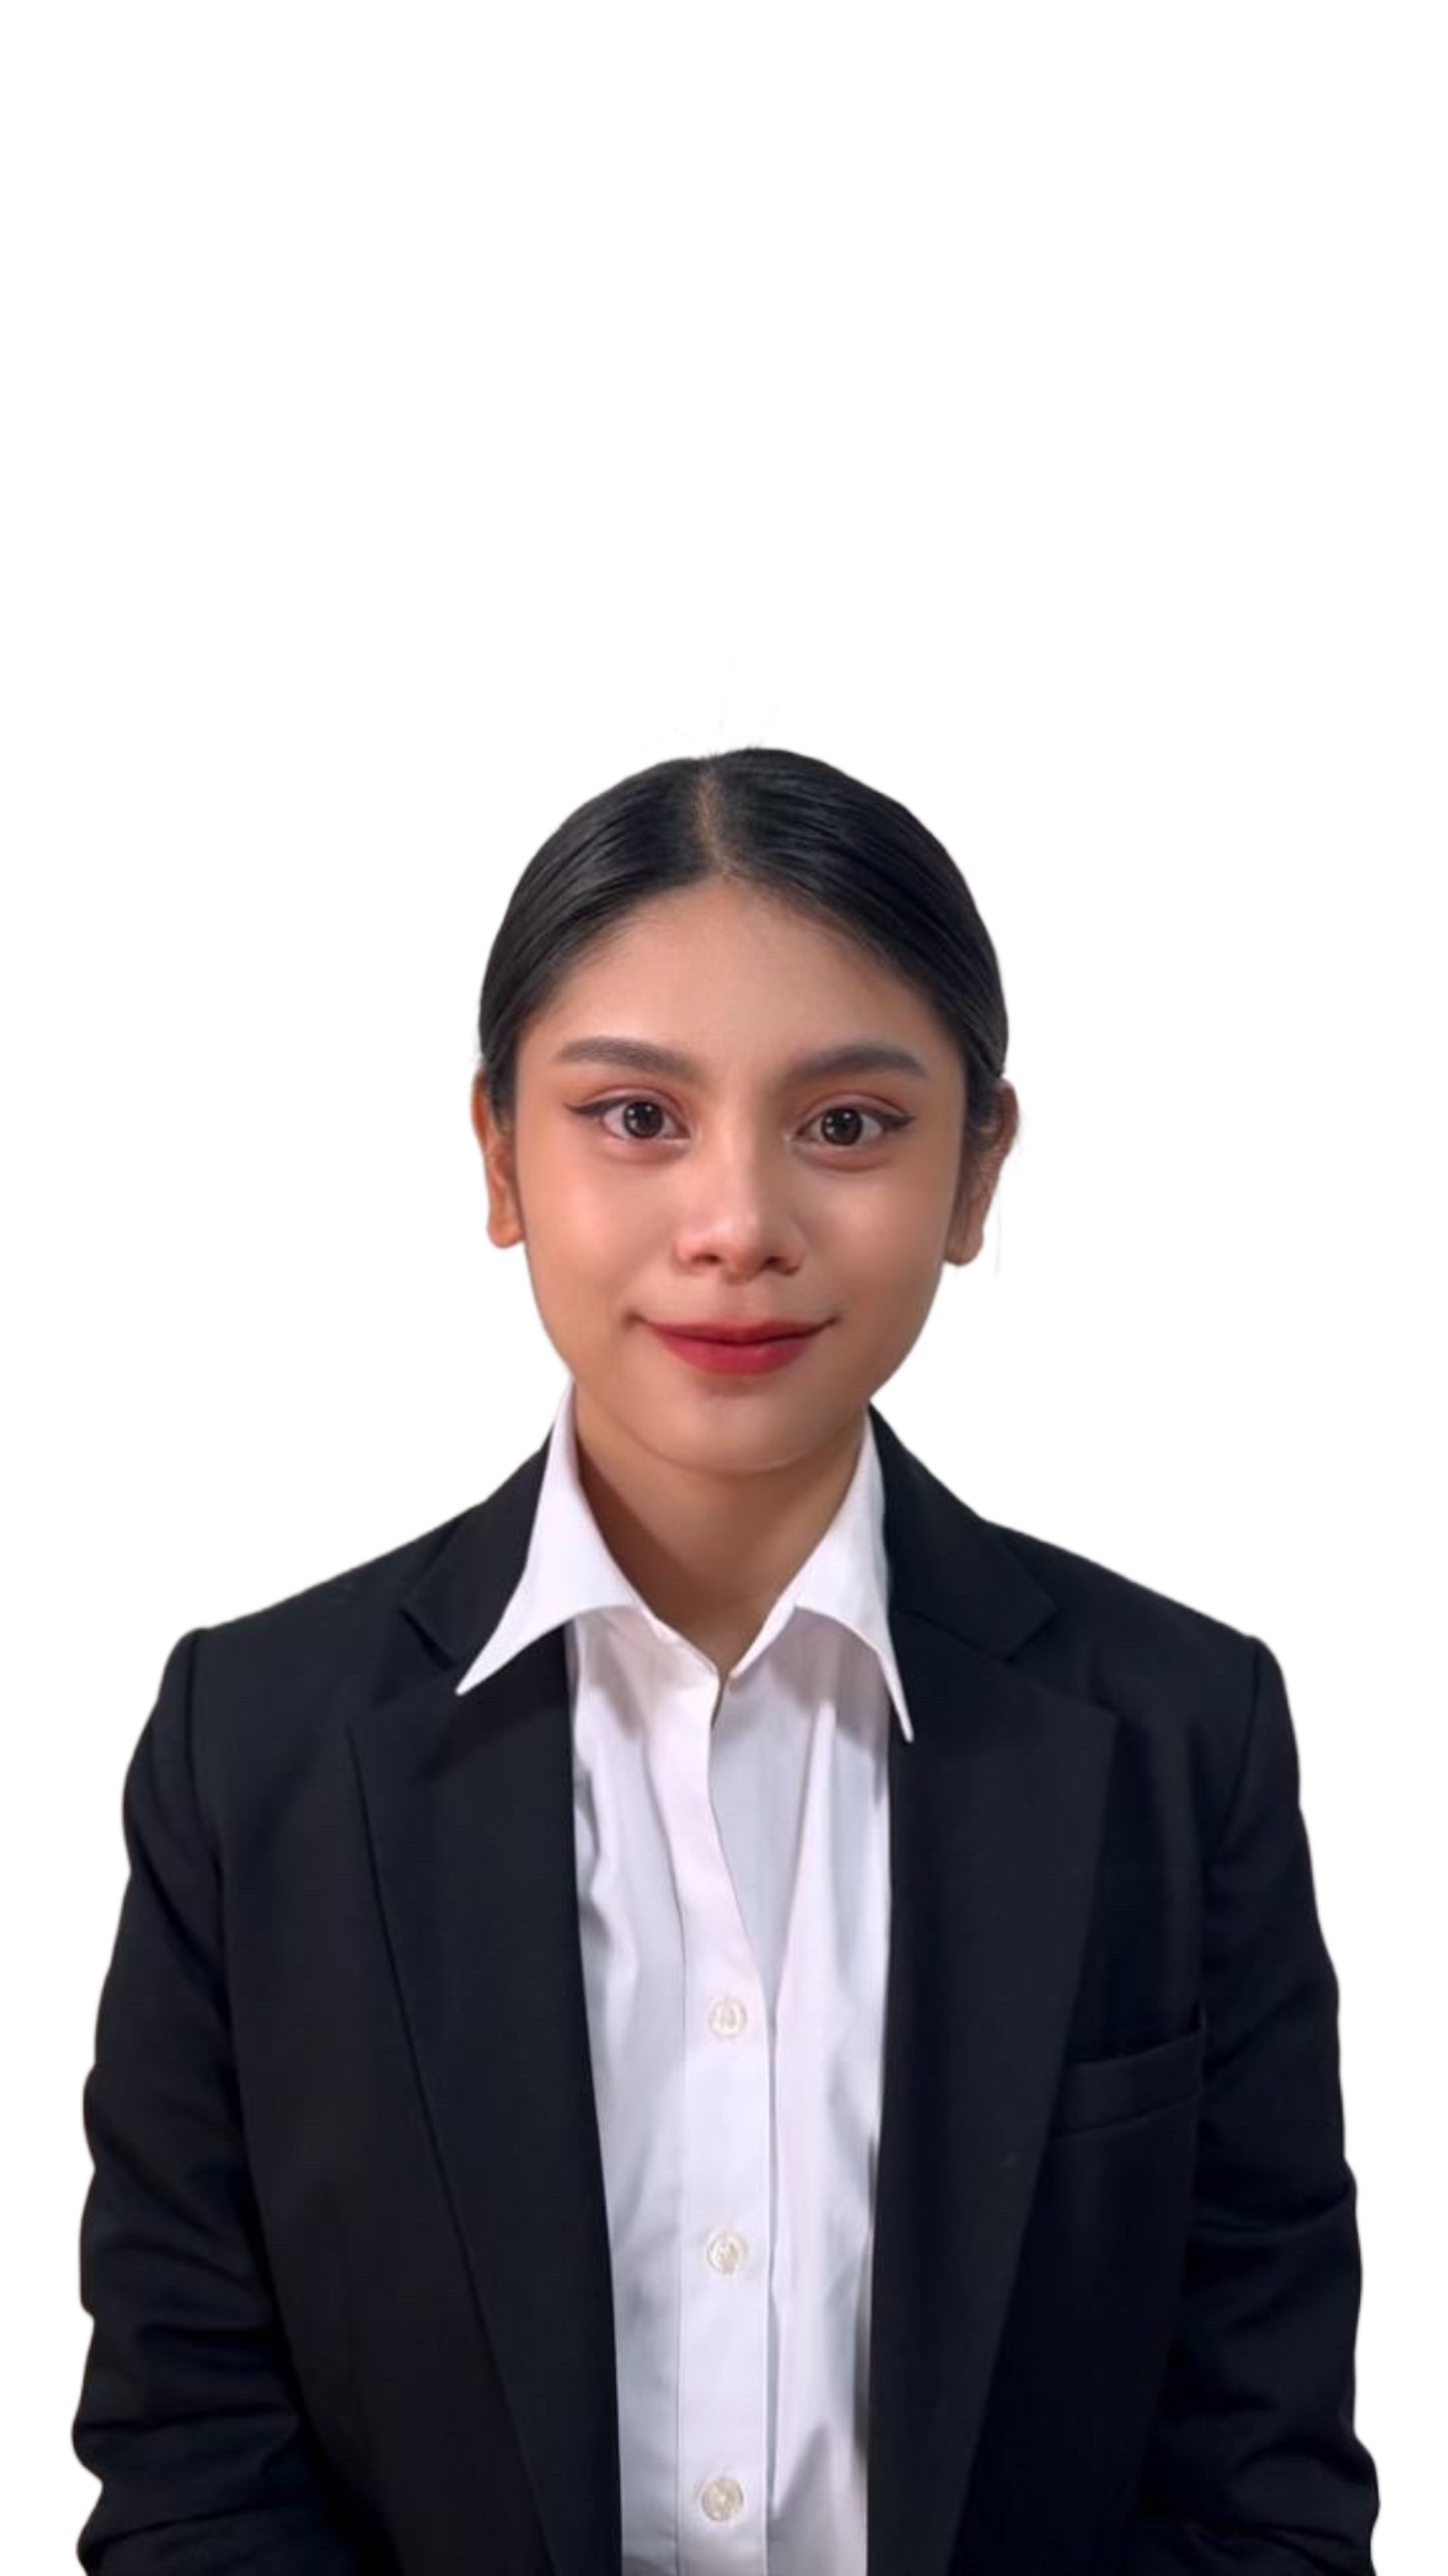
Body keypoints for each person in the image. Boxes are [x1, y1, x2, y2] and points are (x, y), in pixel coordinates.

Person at [72, 746, 1379, 2575]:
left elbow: (1261, 2484)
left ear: (978, 1173)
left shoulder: (1180, 1739)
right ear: (499, 1154)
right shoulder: (255, 1753)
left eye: (846, 1125)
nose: (737, 1225)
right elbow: (194, 2466)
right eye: (635, 1116)